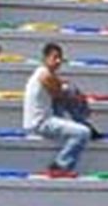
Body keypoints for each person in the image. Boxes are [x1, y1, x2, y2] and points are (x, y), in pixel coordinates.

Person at [24, 42, 92, 174]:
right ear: (45, 58)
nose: (58, 61)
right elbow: (61, 94)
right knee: (83, 133)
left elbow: (60, 91)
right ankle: (61, 165)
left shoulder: (44, 74)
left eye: (60, 58)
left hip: (43, 119)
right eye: (54, 57)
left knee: (69, 92)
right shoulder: (44, 74)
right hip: (40, 123)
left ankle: (83, 122)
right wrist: (79, 98)